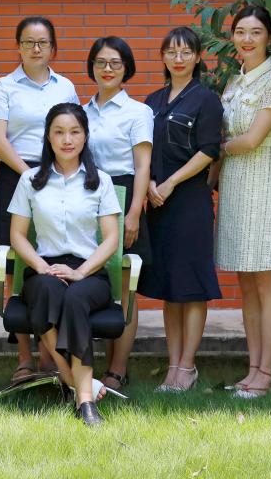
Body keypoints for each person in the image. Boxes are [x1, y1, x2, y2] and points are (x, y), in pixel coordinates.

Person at [8, 103, 122, 426]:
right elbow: (17, 235)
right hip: (44, 268)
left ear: (85, 136)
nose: (67, 139)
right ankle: (81, 388)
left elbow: (111, 239)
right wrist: (42, 267)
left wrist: (80, 272)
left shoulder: (101, 181)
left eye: (74, 132)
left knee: (74, 297)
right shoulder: (30, 180)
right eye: (59, 132)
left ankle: (83, 398)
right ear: (48, 137)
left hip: (89, 271)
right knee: (46, 290)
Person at [0, 16, 78, 380]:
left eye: (42, 43)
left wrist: (52, 175)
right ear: (18, 47)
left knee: (53, 258)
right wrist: (30, 175)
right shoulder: (4, 86)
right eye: (28, 42)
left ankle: (49, 355)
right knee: (18, 263)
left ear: (53, 47)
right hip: (17, 175)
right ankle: (24, 357)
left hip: (59, 177)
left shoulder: (65, 87)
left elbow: (74, 132)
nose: (35, 49)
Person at [212, 5, 271, 399]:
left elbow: (252, 139)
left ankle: (267, 372)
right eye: (241, 31)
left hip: (263, 181)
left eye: (256, 32)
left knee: (265, 280)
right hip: (235, 183)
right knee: (245, 281)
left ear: (269, 38)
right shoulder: (233, 82)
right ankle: (252, 369)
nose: (247, 39)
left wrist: (217, 150)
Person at [139, 26, 223, 392]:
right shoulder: (152, 101)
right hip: (158, 202)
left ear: (198, 57)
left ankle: (188, 366)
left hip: (190, 201)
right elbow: (142, 149)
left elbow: (209, 150)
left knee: (192, 286)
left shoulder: (206, 99)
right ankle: (172, 365)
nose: (178, 58)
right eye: (171, 52)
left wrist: (171, 182)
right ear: (162, 57)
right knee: (170, 287)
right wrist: (150, 183)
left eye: (186, 52)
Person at [83, 36, 153, 392]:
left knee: (124, 286)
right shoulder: (80, 111)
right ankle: (90, 366)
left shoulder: (138, 112)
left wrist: (134, 212)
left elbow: (142, 166)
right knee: (93, 281)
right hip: (88, 199)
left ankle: (118, 369)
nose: (107, 69)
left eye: (115, 63)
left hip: (124, 196)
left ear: (127, 68)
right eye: (100, 62)